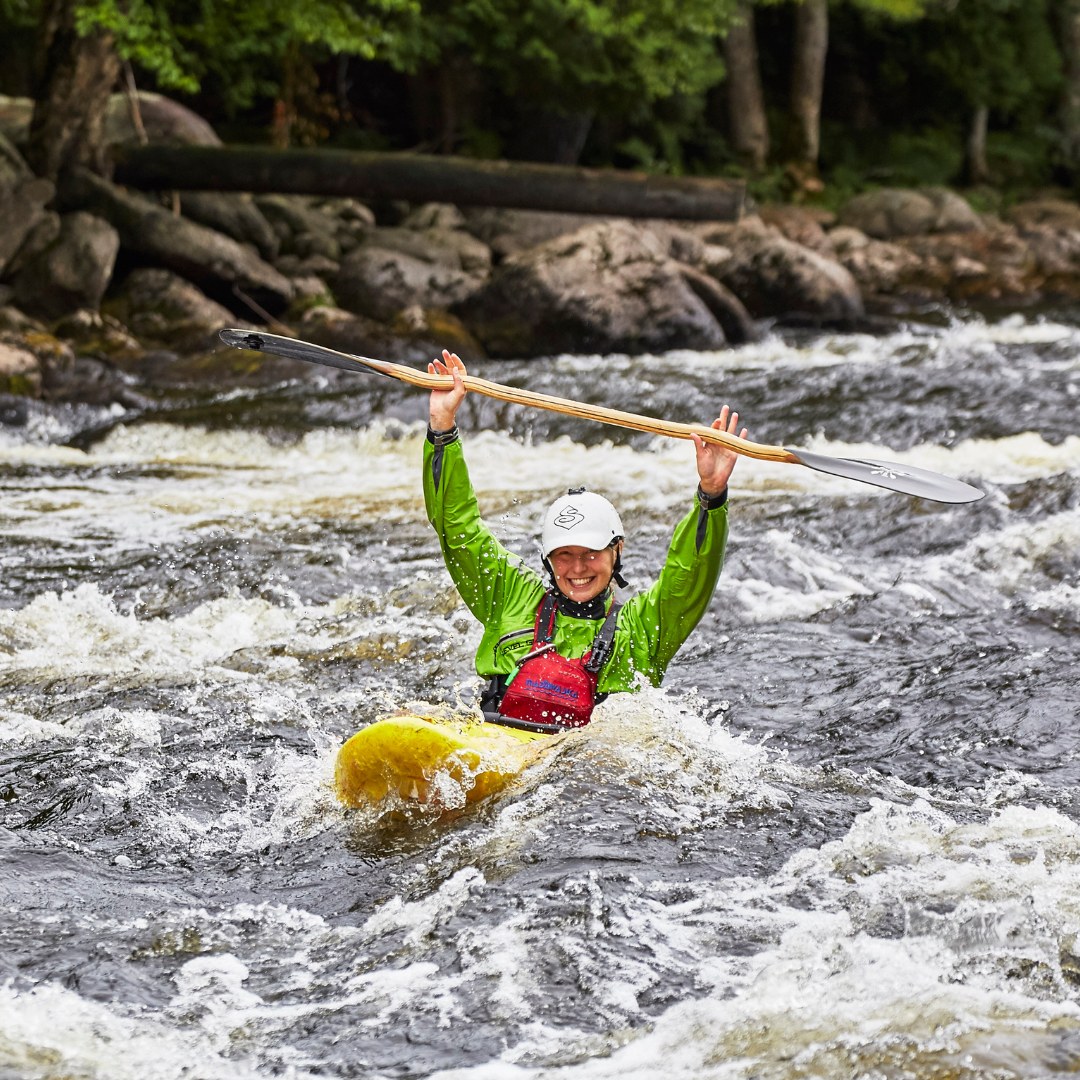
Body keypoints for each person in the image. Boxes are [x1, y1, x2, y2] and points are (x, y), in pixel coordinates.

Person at [423, 349, 747, 734]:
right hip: (497, 745)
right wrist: (442, 429)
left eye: (591, 554)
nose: (577, 568)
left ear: (617, 551)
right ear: (547, 559)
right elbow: (457, 527)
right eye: (564, 555)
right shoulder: (508, 596)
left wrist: (711, 495)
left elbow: (691, 573)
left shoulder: (643, 630)